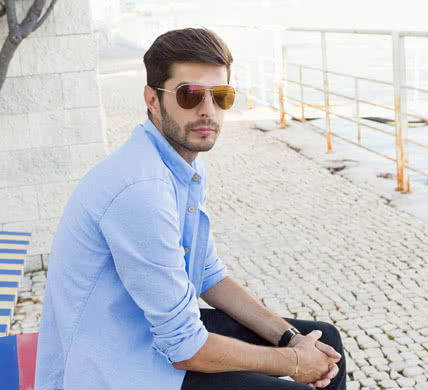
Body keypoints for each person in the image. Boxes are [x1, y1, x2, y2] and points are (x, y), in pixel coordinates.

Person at [35, 28, 347, 390]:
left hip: (148, 337)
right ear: (153, 99)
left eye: (222, 96)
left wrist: (290, 338)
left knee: (325, 340)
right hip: (117, 368)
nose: (207, 110)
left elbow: (210, 275)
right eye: (189, 95)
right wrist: (293, 363)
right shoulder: (141, 189)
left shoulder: (182, 167)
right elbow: (184, 347)